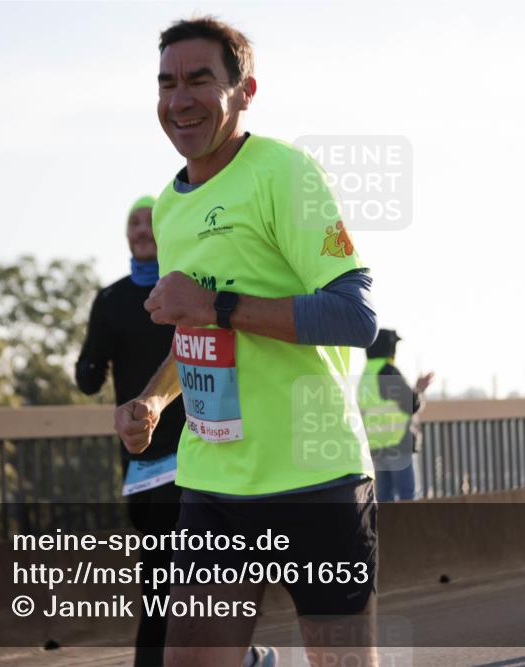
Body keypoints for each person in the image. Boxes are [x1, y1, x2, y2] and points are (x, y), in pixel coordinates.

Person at [113, 16, 380, 667]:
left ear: (245, 90)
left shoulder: (284, 172)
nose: (180, 100)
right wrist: (153, 400)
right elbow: (198, 332)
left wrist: (214, 304)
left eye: (200, 79)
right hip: (214, 483)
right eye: (167, 83)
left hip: (312, 473)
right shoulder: (172, 206)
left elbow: (354, 315)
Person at [75, 195, 186, 667]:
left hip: (199, 452)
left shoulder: (186, 291)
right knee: (162, 578)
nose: (142, 230)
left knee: (202, 572)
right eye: (134, 223)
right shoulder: (112, 300)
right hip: (142, 463)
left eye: (150, 222)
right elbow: (88, 372)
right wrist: (90, 368)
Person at [360, 329, 433, 501]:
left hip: (376, 446)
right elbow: (410, 403)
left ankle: (387, 529)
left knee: (384, 498)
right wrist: (420, 390)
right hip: (398, 445)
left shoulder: (366, 375)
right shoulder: (387, 371)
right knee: (408, 497)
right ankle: (409, 529)